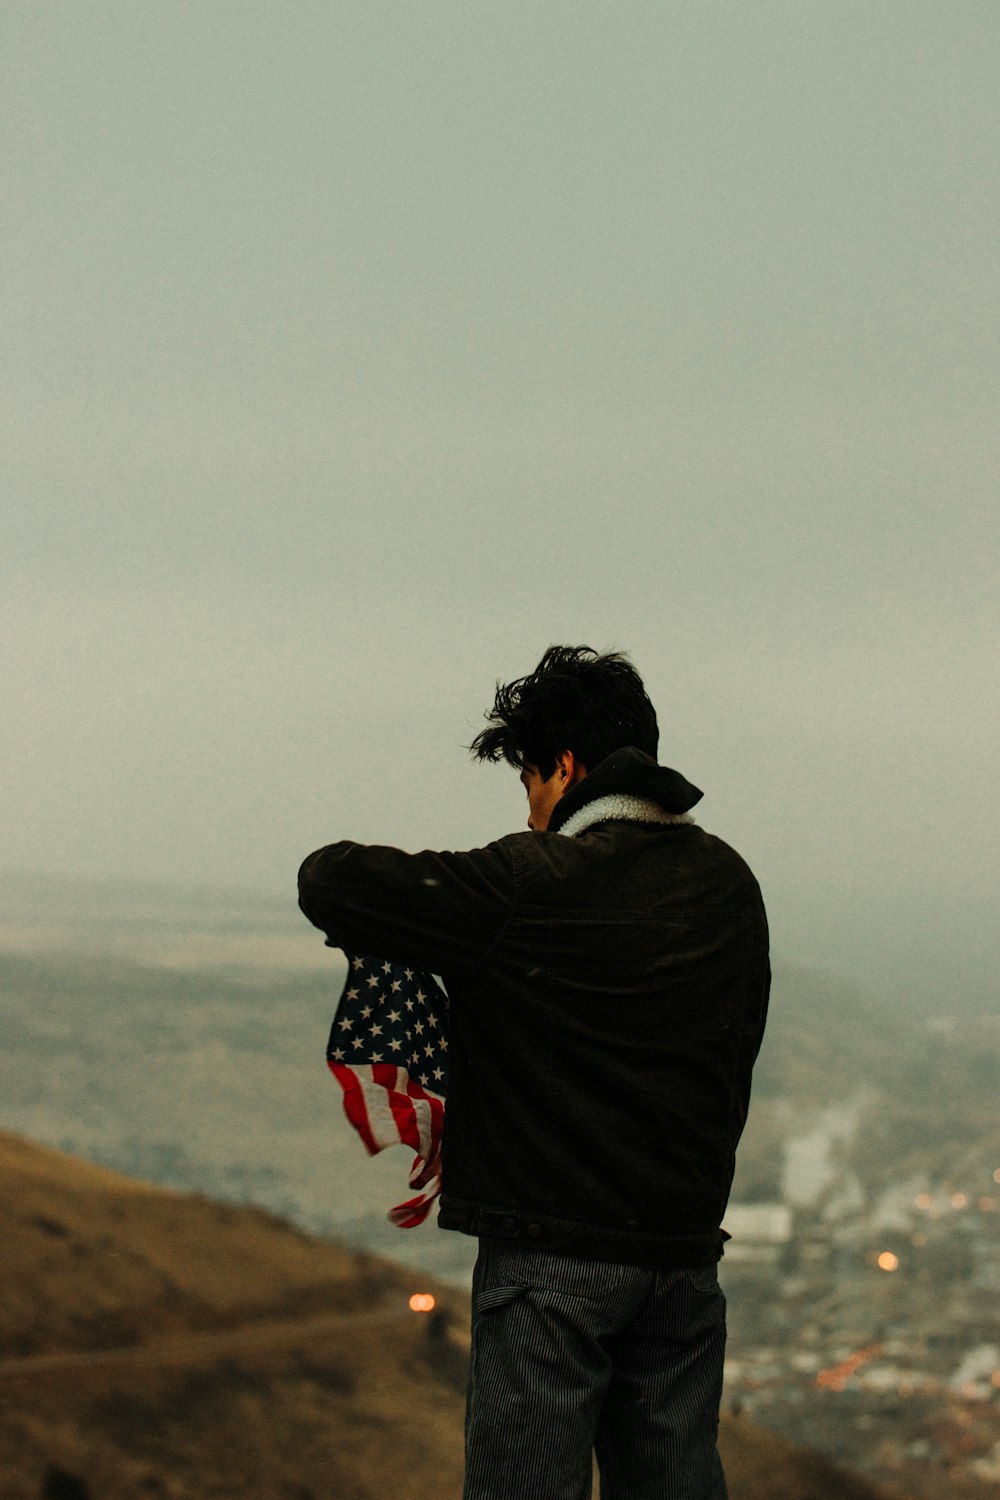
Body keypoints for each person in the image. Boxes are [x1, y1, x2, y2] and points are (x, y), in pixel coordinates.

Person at [298, 645, 770, 1500]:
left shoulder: (532, 882)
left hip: (552, 1268)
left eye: (530, 784)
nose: (530, 814)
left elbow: (332, 882)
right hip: (682, 1262)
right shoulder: (730, 884)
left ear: (564, 766)